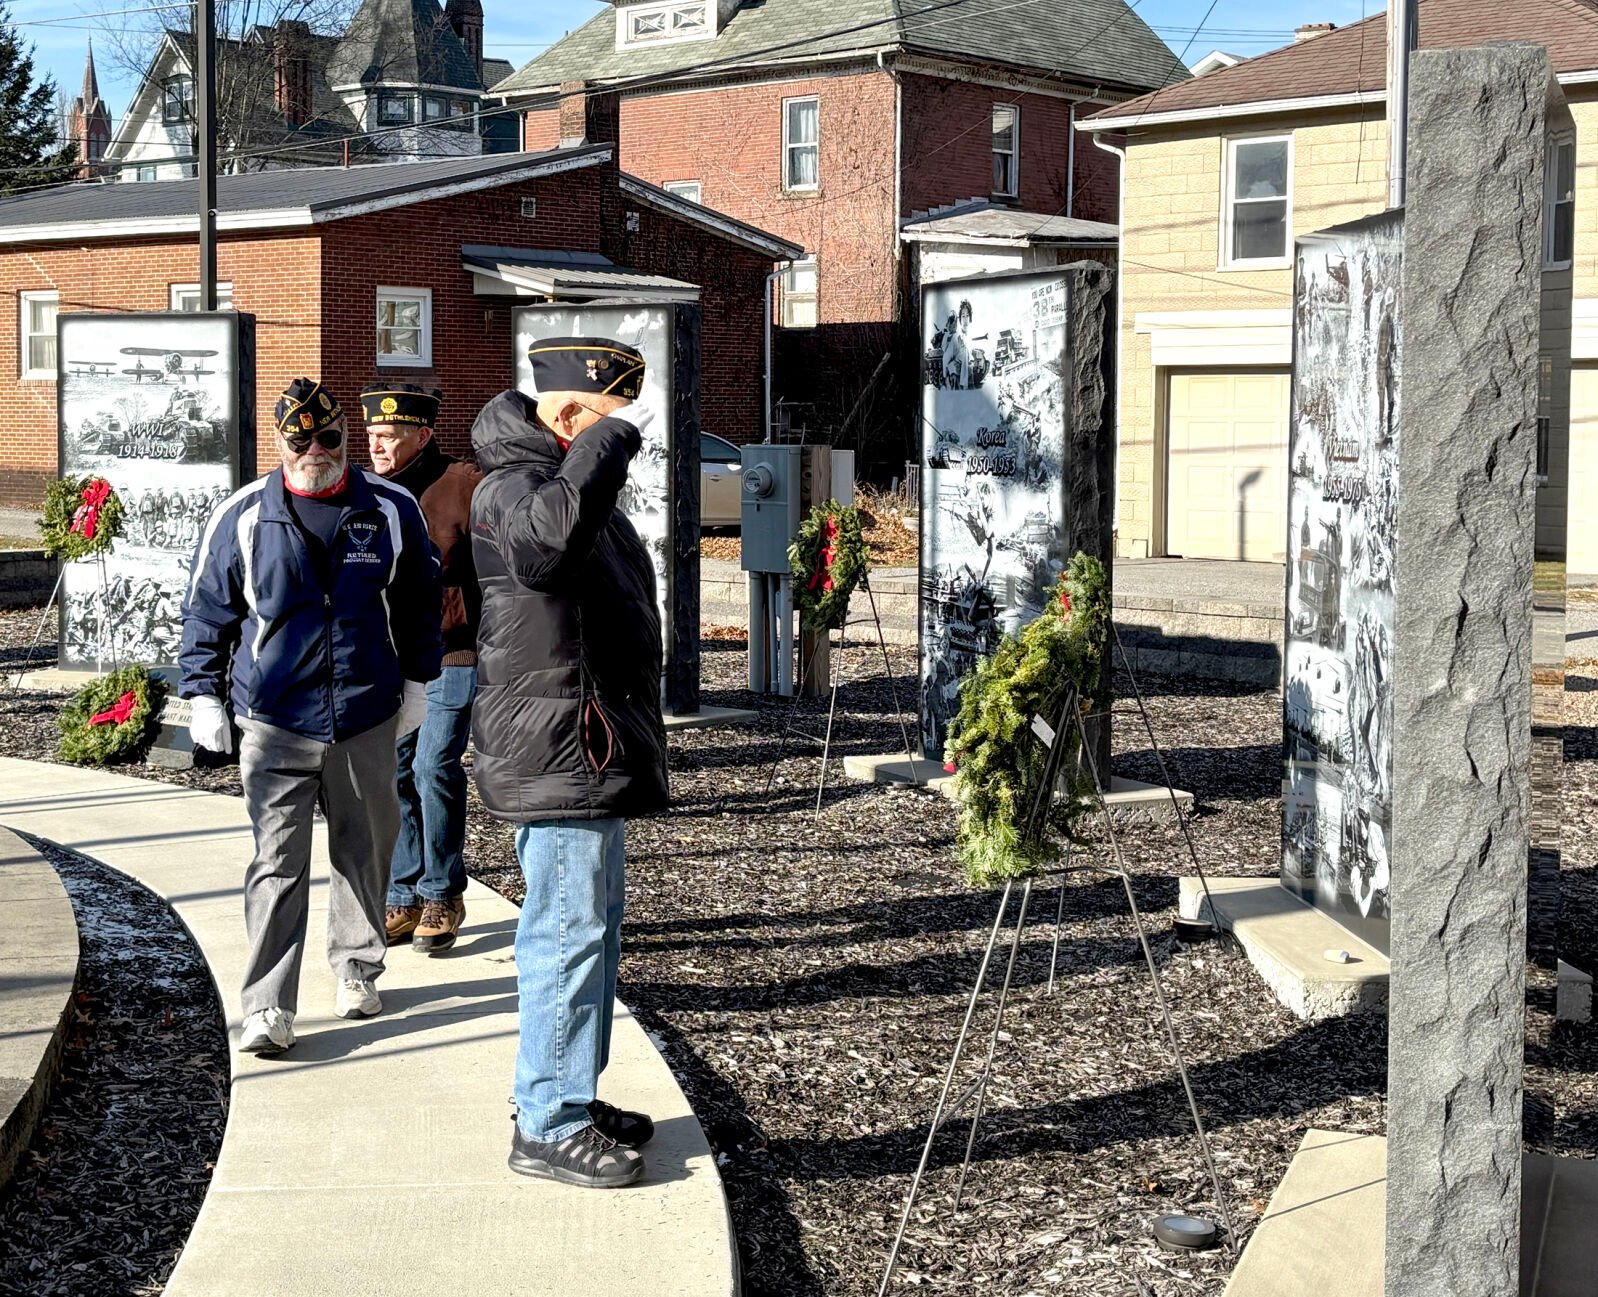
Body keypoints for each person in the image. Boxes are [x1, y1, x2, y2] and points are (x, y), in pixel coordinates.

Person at [180, 377, 442, 1056]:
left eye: (329, 438)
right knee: (276, 862)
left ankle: (357, 967)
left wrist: (419, 680)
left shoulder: (390, 507)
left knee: (365, 849)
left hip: (365, 711)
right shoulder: (242, 514)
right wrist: (202, 692)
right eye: (301, 439)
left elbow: (419, 599)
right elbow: (210, 609)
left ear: (345, 440)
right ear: (279, 443)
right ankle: (267, 1004)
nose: (315, 450)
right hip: (275, 718)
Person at [470, 336, 668, 1189]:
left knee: (589, 926)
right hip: (561, 744)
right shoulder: (515, 483)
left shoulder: (561, 483)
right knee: (564, 931)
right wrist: (604, 445)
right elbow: (544, 552)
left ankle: (565, 1092)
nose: (625, 441)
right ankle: (547, 1120)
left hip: (585, 739)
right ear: (571, 414)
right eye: (610, 424)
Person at [360, 383, 483, 955]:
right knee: (396, 773)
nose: (377, 446)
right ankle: (403, 893)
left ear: (423, 435)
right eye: (371, 436)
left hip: (455, 652)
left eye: (388, 436)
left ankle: (443, 891)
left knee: (434, 765)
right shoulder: (368, 494)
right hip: (395, 655)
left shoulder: (464, 484)